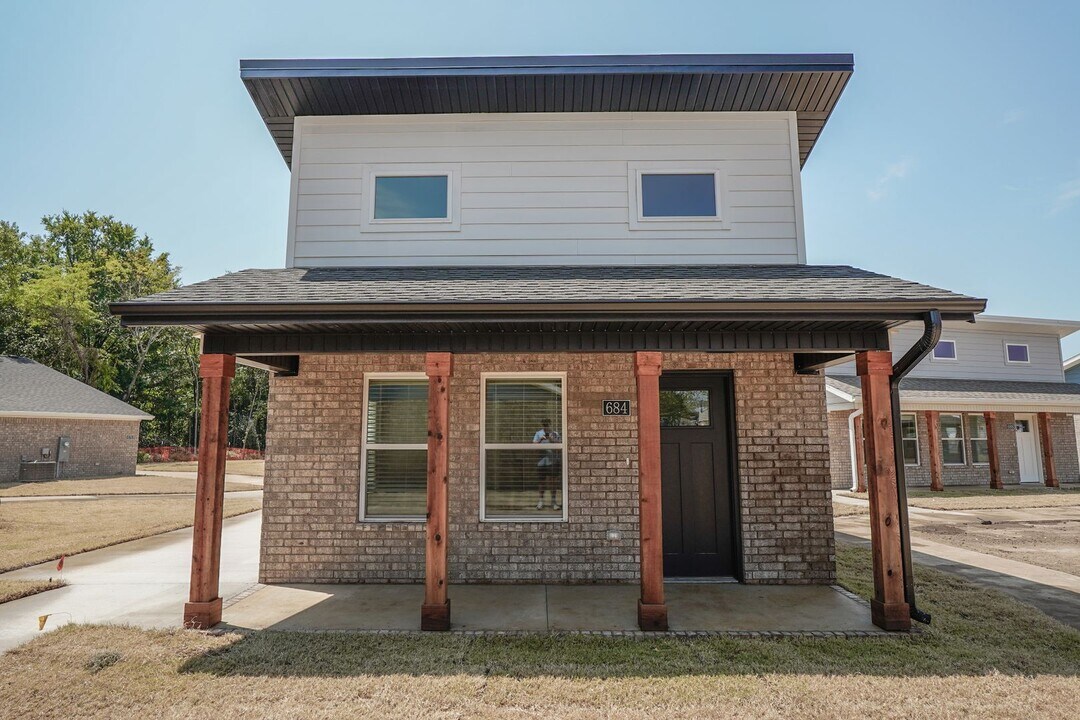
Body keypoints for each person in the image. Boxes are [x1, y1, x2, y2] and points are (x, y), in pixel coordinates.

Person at [533, 418, 561, 511]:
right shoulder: (538, 433)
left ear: (550, 424)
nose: (546, 426)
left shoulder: (555, 434)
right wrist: (540, 439)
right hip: (541, 462)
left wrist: (552, 440)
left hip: (553, 461)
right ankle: (541, 501)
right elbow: (534, 449)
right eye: (544, 424)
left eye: (547, 424)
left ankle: (553, 502)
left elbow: (559, 448)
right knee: (541, 482)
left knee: (553, 482)